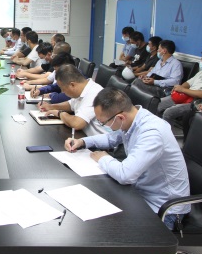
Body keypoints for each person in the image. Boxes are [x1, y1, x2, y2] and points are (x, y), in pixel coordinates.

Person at [65, 87, 190, 230]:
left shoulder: (152, 133)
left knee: (104, 227)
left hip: (164, 209)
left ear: (120, 117)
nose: (104, 126)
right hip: (141, 192)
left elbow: (125, 175)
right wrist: (83, 142)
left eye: (103, 123)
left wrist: (103, 158)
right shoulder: (133, 119)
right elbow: (111, 138)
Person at [158, 49, 202, 128]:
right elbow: (188, 83)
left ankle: (166, 133)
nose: (201, 62)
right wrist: (179, 89)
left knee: (169, 112)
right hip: (185, 96)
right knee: (157, 103)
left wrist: (183, 90)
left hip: (197, 103)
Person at [39, 64, 105, 136]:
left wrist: (60, 113)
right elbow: (71, 105)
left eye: (63, 89)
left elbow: (76, 124)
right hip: (83, 136)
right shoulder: (83, 88)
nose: (63, 92)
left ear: (72, 85)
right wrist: (51, 106)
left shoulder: (94, 94)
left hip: (95, 140)